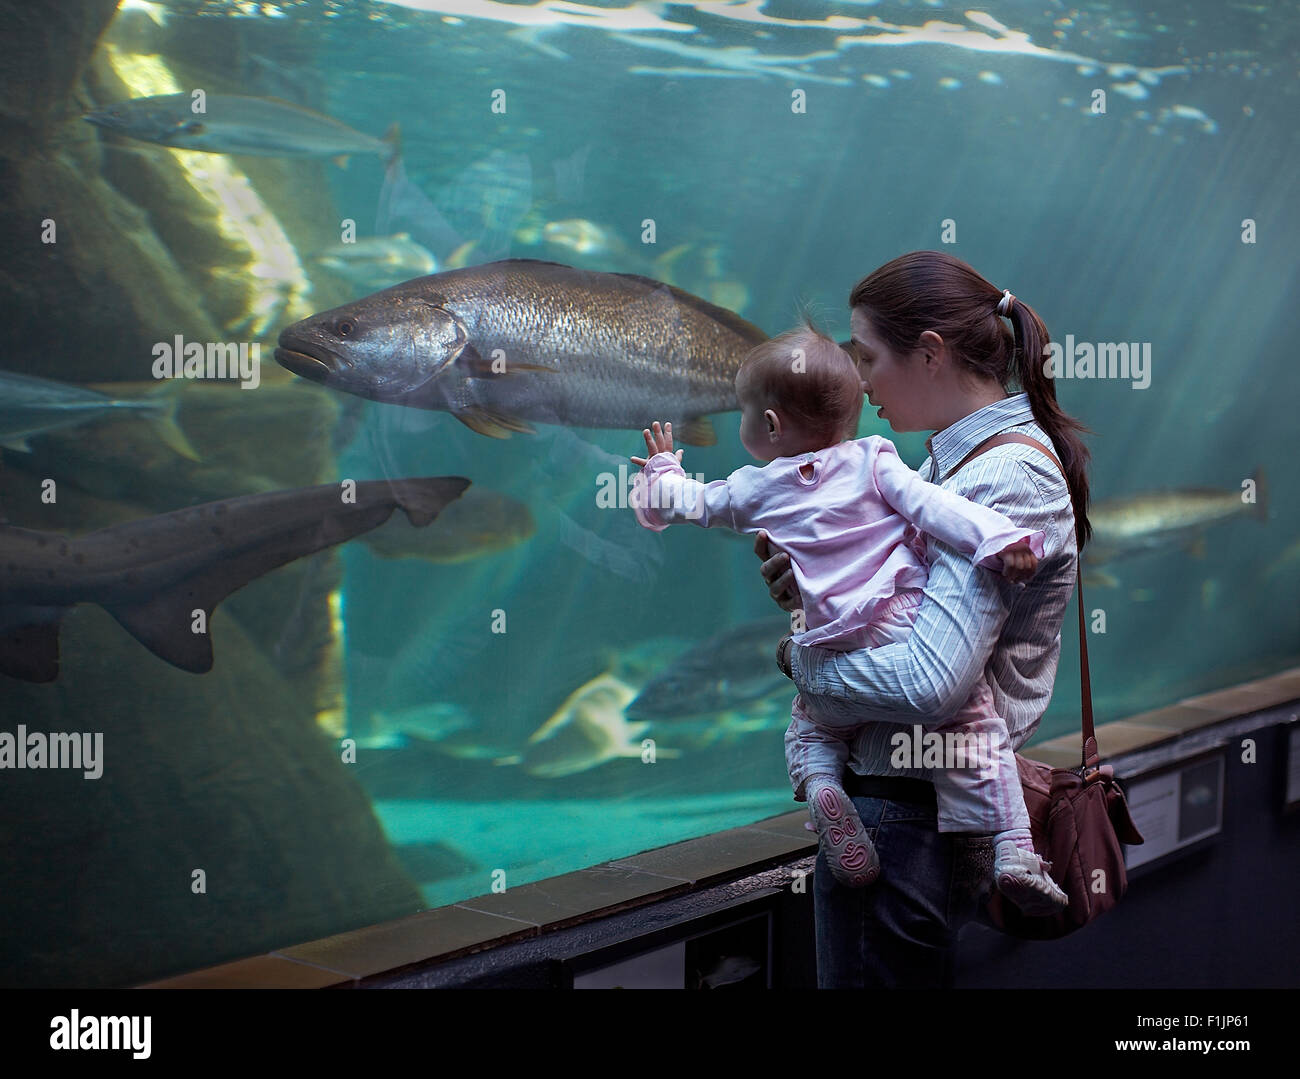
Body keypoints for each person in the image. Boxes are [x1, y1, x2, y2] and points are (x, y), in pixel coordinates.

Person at [628, 323, 1066, 916]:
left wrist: (660, 472)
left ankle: (826, 793)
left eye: (745, 413)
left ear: (772, 427)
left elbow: (685, 505)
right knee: (978, 728)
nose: (865, 374)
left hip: (828, 641)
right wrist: (1000, 540)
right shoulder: (875, 461)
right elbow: (937, 511)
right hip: (894, 623)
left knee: (811, 734)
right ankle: (1014, 850)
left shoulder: (753, 489)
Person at [755, 251, 1091, 988]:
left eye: (868, 357)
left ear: (931, 352)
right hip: (908, 817)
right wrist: (814, 596)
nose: (860, 382)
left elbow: (929, 682)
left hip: (908, 821)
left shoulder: (1003, 476)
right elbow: (907, 624)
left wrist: (798, 657)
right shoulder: (950, 469)